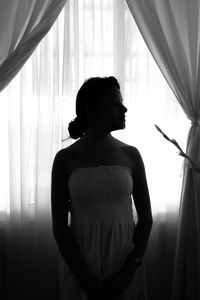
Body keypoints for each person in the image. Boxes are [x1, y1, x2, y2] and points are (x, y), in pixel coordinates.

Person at [51, 76, 153, 300]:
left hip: (124, 263)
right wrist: (86, 280)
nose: (124, 108)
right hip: (80, 266)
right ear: (91, 109)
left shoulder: (131, 155)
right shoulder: (65, 159)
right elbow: (59, 227)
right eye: (115, 102)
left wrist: (129, 270)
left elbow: (146, 220)